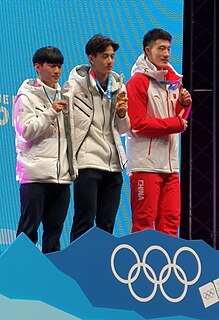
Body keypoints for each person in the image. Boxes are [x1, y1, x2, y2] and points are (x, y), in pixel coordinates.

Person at [62, 34, 130, 241]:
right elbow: (67, 125)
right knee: (84, 220)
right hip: (88, 161)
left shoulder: (119, 86)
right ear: (92, 59)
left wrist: (121, 113)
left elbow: (124, 129)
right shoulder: (75, 88)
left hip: (114, 164)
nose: (110, 61)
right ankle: (76, 268)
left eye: (112, 56)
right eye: (104, 56)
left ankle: (101, 270)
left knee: (107, 224)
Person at [126, 28, 192, 236]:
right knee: (144, 223)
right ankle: (140, 268)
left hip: (170, 166)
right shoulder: (137, 82)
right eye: (161, 48)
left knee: (171, 222)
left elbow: (178, 118)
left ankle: (168, 268)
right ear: (148, 50)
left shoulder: (173, 81)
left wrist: (183, 105)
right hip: (145, 164)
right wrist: (176, 123)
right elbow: (137, 123)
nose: (166, 53)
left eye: (169, 49)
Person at [13, 46, 76, 253]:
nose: (57, 71)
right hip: (35, 176)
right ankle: (19, 277)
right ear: (38, 67)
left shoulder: (65, 95)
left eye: (59, 66)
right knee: (27, 233)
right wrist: (50, 112)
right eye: (52, 66)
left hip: (61, 177)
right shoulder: (26, 96)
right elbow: (26, 131)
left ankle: (50, 281)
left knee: (54, 233)